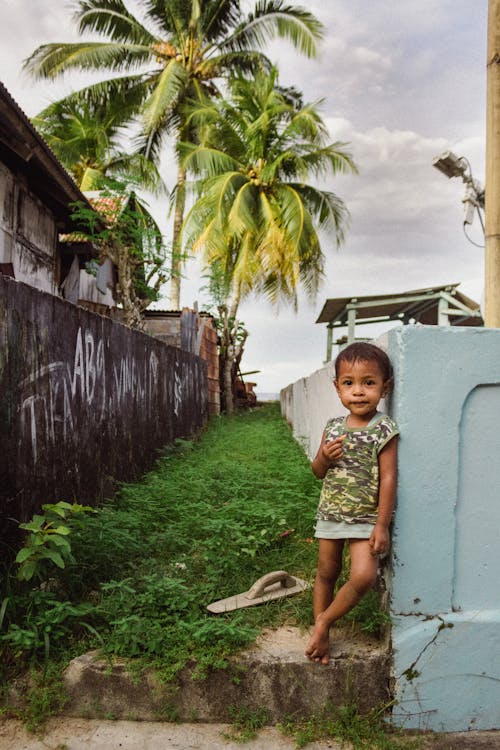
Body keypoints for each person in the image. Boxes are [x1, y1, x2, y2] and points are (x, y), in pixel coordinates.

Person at [305, 342, 399, 665]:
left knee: (363, 576)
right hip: (331, 514)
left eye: (368, 383)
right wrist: (323, 458)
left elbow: (388, 478)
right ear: (337, 388)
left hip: (365, 519)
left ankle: (323, 622)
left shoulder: (383, 429)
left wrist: (382, 524)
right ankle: (323, 638)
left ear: (384, 388)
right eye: (349, 383)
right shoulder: (332, 427)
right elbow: (317, 472)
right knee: (326, 573)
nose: (358, 392)